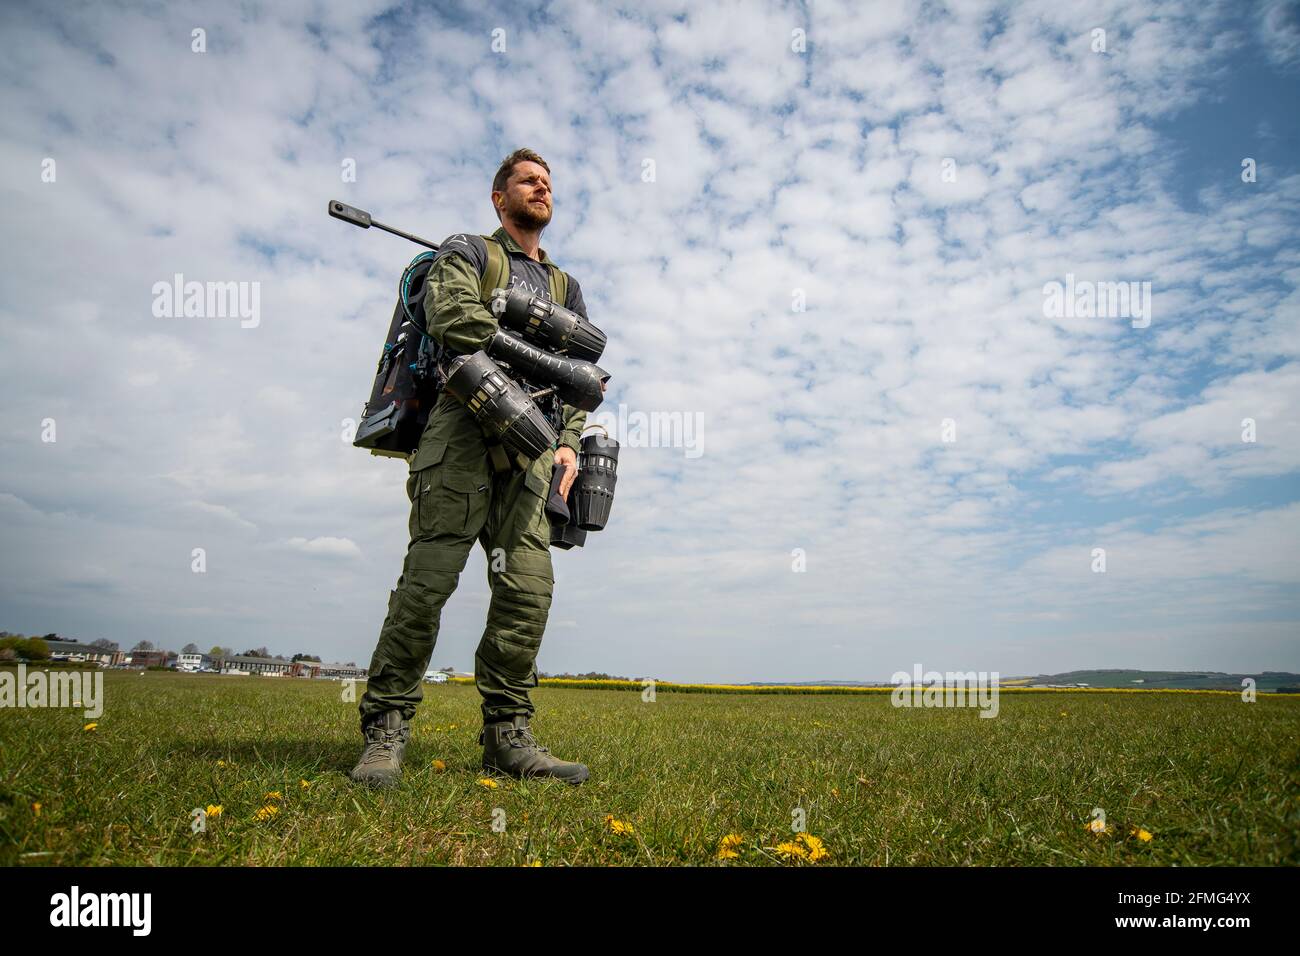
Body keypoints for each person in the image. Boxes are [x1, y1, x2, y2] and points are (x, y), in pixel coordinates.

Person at [350, 148, 592, 788]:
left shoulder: (566, 289)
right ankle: (386, 730)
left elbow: (581, 382)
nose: (540, 189)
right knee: (427, 586)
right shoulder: (468, 253)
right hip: (460, 433)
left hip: (534, 449)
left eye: (548, 184)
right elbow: (451, 316)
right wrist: (537, 355)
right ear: (498, 197)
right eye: (527, 181)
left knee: (527, 592)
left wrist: (569, 441)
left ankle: (507, 736)